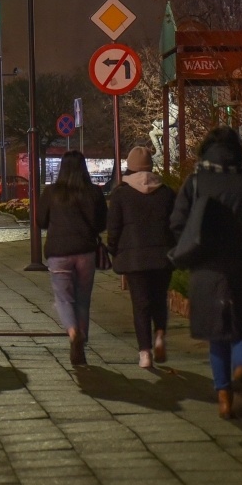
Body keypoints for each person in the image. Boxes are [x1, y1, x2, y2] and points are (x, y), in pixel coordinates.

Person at [170, 126, 242, 419]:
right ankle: (241, 370)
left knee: (216, 334)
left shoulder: (195, 181)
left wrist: (191, 249)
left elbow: (178, 223)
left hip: (206, 269)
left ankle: (223, 396)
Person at [106, 145, 176, 370]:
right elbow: (175, 226)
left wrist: (114, 249)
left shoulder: (120, 194)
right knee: (159, 298)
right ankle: (160, 335)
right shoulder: (166, 193)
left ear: (129, 167)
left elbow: (114, 228)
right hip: (162, 255)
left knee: (140, 304)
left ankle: (145, 352)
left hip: (134, 258)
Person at [41, 150, 107, 367]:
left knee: (63, 298)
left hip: (59, 252)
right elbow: (101, 223)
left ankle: (72, 333)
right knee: (82, 299)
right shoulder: (94, 193)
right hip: (85, 251)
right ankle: (82, 342)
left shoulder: (52, 192)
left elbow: (41, 221)